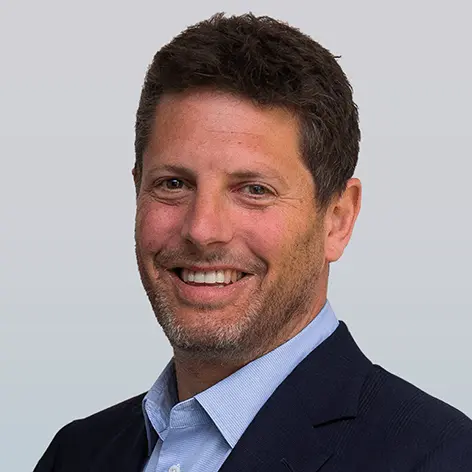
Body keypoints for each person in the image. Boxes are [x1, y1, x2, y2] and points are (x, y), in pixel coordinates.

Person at [34, 12, 472, 472]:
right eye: (173, 184)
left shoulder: (440, 458)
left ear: (337, 220)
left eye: (254, 190)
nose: (203, 230)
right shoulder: (76, 454)